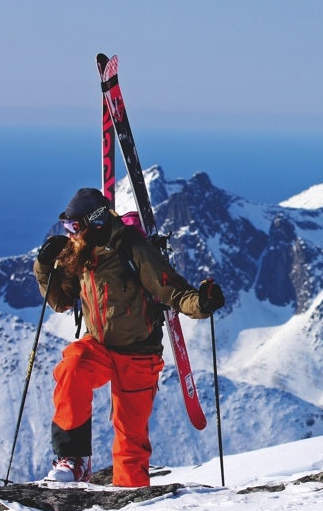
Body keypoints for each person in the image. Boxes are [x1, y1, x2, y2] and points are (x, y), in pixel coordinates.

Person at [33, 188, 224, 487]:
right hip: (99, 346)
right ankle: (74, 460)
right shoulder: (78, 254)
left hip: (139, 353)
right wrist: (44, 267)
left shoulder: (132, 249)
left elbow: (170, 289)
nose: (70, 235)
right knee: (72, 367)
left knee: (131, 437)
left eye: (75, 227)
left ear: (96, 222)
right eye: (65, 227)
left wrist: (201, 303)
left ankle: (130, 502)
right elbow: (60, 302)